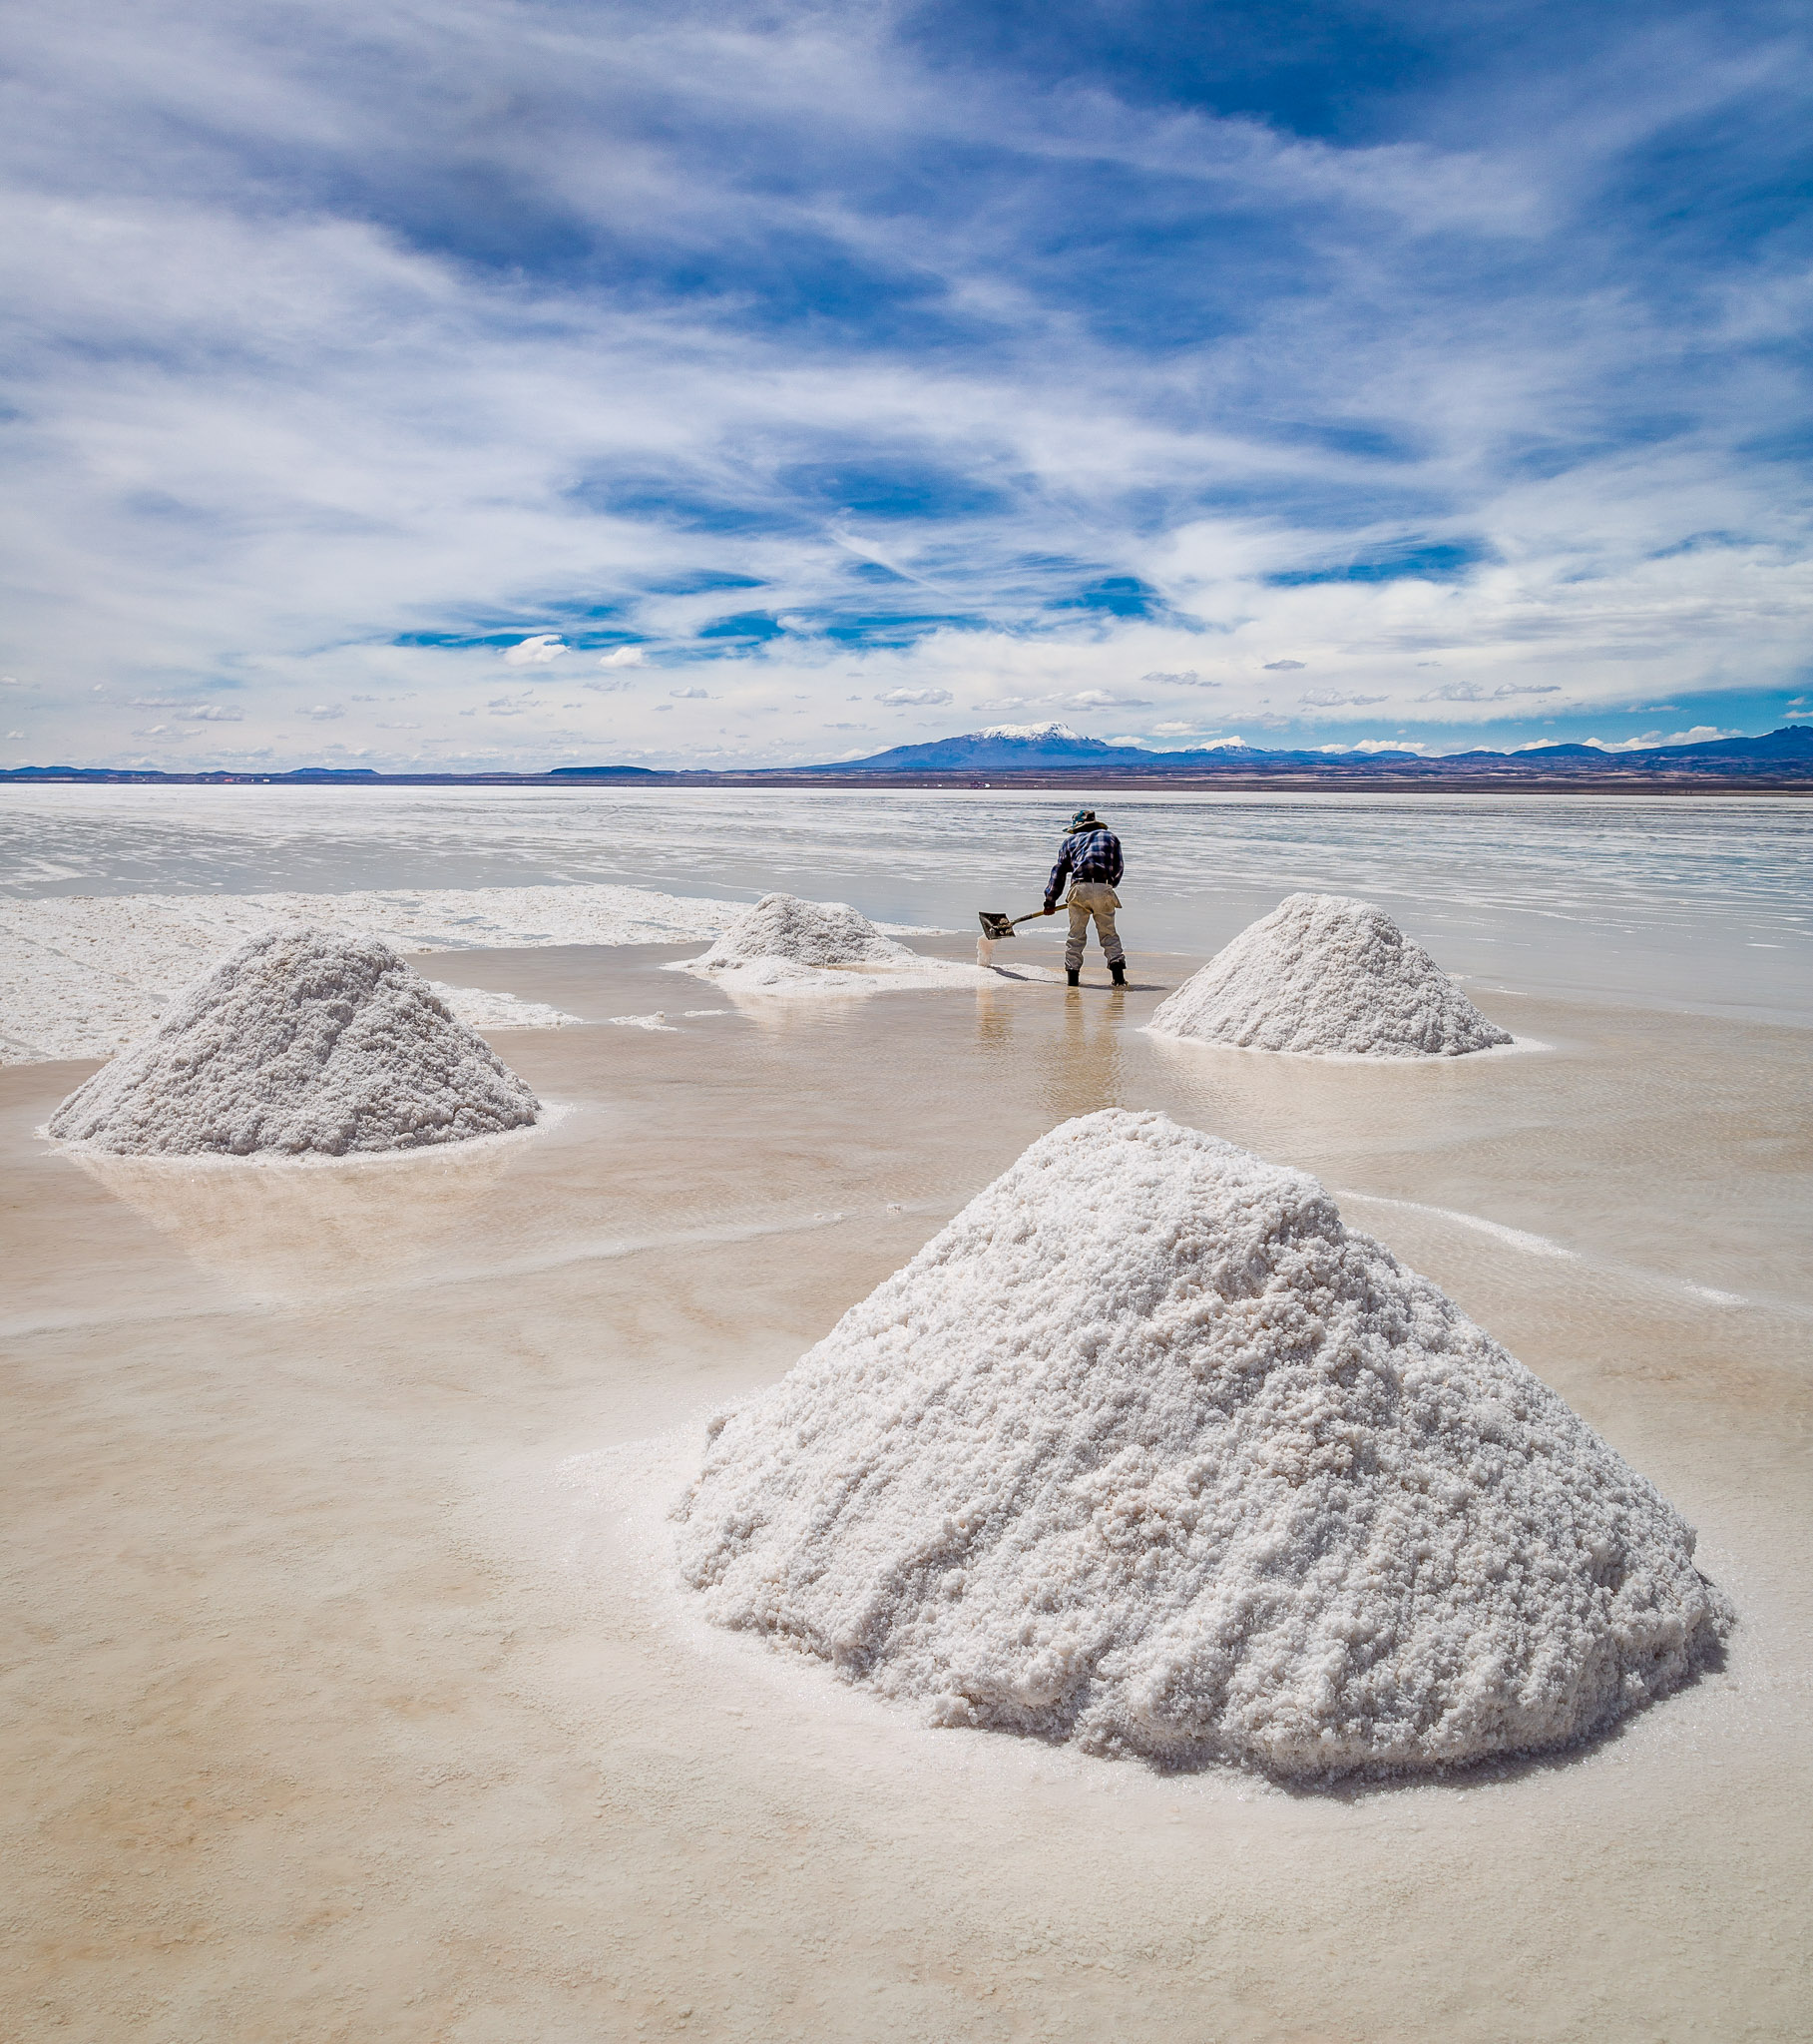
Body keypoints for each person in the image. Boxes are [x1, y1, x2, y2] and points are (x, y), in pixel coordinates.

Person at [1043, 807, 1127, 987]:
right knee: (1109, 934)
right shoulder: (1111, 838)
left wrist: (1050, 900)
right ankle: (1118, 980)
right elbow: (1118, 868)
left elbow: (1058, 872)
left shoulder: (1069, 842)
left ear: (1077, 827)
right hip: (1104, 887)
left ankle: (1073, 983)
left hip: (1079, 888)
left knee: (1076, 936)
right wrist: (1106, 889)